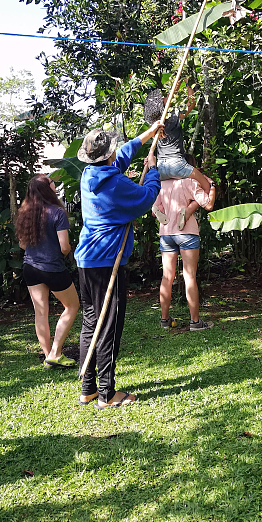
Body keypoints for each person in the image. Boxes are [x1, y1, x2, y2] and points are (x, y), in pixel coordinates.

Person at [75, 121, 162, 408]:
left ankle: (88, 388)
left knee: (91, 323)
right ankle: (106, 394)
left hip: (87, 261)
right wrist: (152, 171)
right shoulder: (115, 184)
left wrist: (147, 135)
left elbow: (119, 157)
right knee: (108, 324)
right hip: (106, 262)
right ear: (107, 156)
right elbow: (146, 198)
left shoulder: (90, 174)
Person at [16, 174, 79, 368]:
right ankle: (55, 352)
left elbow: (22, 245)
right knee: (72, 306)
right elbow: (65, 247)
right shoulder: (57, 212)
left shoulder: (25, 213)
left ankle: (47, 355)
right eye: (51, 182)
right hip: (52, 268)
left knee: (40, 312)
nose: (54, 184)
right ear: (47, 189)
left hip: (30, 267)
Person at [152, 159, 216, 331]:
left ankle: (164, 320)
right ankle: (195, 322)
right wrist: (212, 185)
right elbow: (208, 204)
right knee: (190, 277)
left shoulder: (162, 182)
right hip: (187, 233)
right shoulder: (190, 181)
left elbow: (156, 209)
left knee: (167, 277)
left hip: (166, 233)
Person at [144, 84, 211, 191]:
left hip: (161, 167)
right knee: (206, 185)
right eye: (161, 98)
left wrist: (178, 81)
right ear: (162, 106)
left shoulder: (155, 126)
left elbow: (171, 95)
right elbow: (192, 102)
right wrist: (188, 83)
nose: (163, 97)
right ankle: (203, 205)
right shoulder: (173, 118)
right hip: (176, 164)